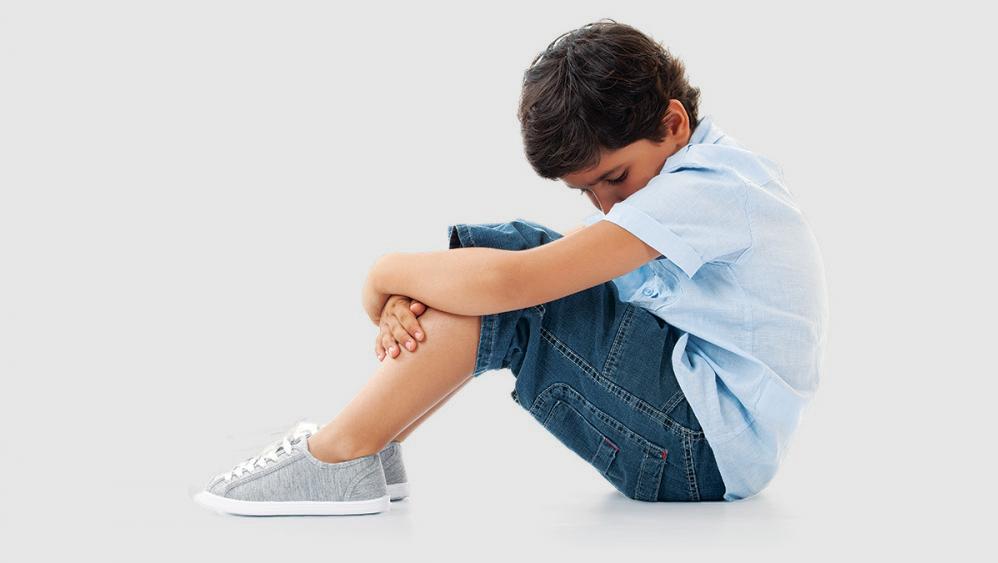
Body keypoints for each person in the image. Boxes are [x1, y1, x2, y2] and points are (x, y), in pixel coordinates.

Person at [193, 19, 828, 516]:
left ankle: (339, 453)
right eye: (587, 191)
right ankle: (372, 448)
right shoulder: (701, 171)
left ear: (673, 122)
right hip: (697, 429)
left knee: (514, 286)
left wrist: (383, 275)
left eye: (614, 177)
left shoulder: (709, 190)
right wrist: (404, 296)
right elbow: (510, 272)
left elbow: (509, 285)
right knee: (518, 251)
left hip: (697, 451)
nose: (606, 203)